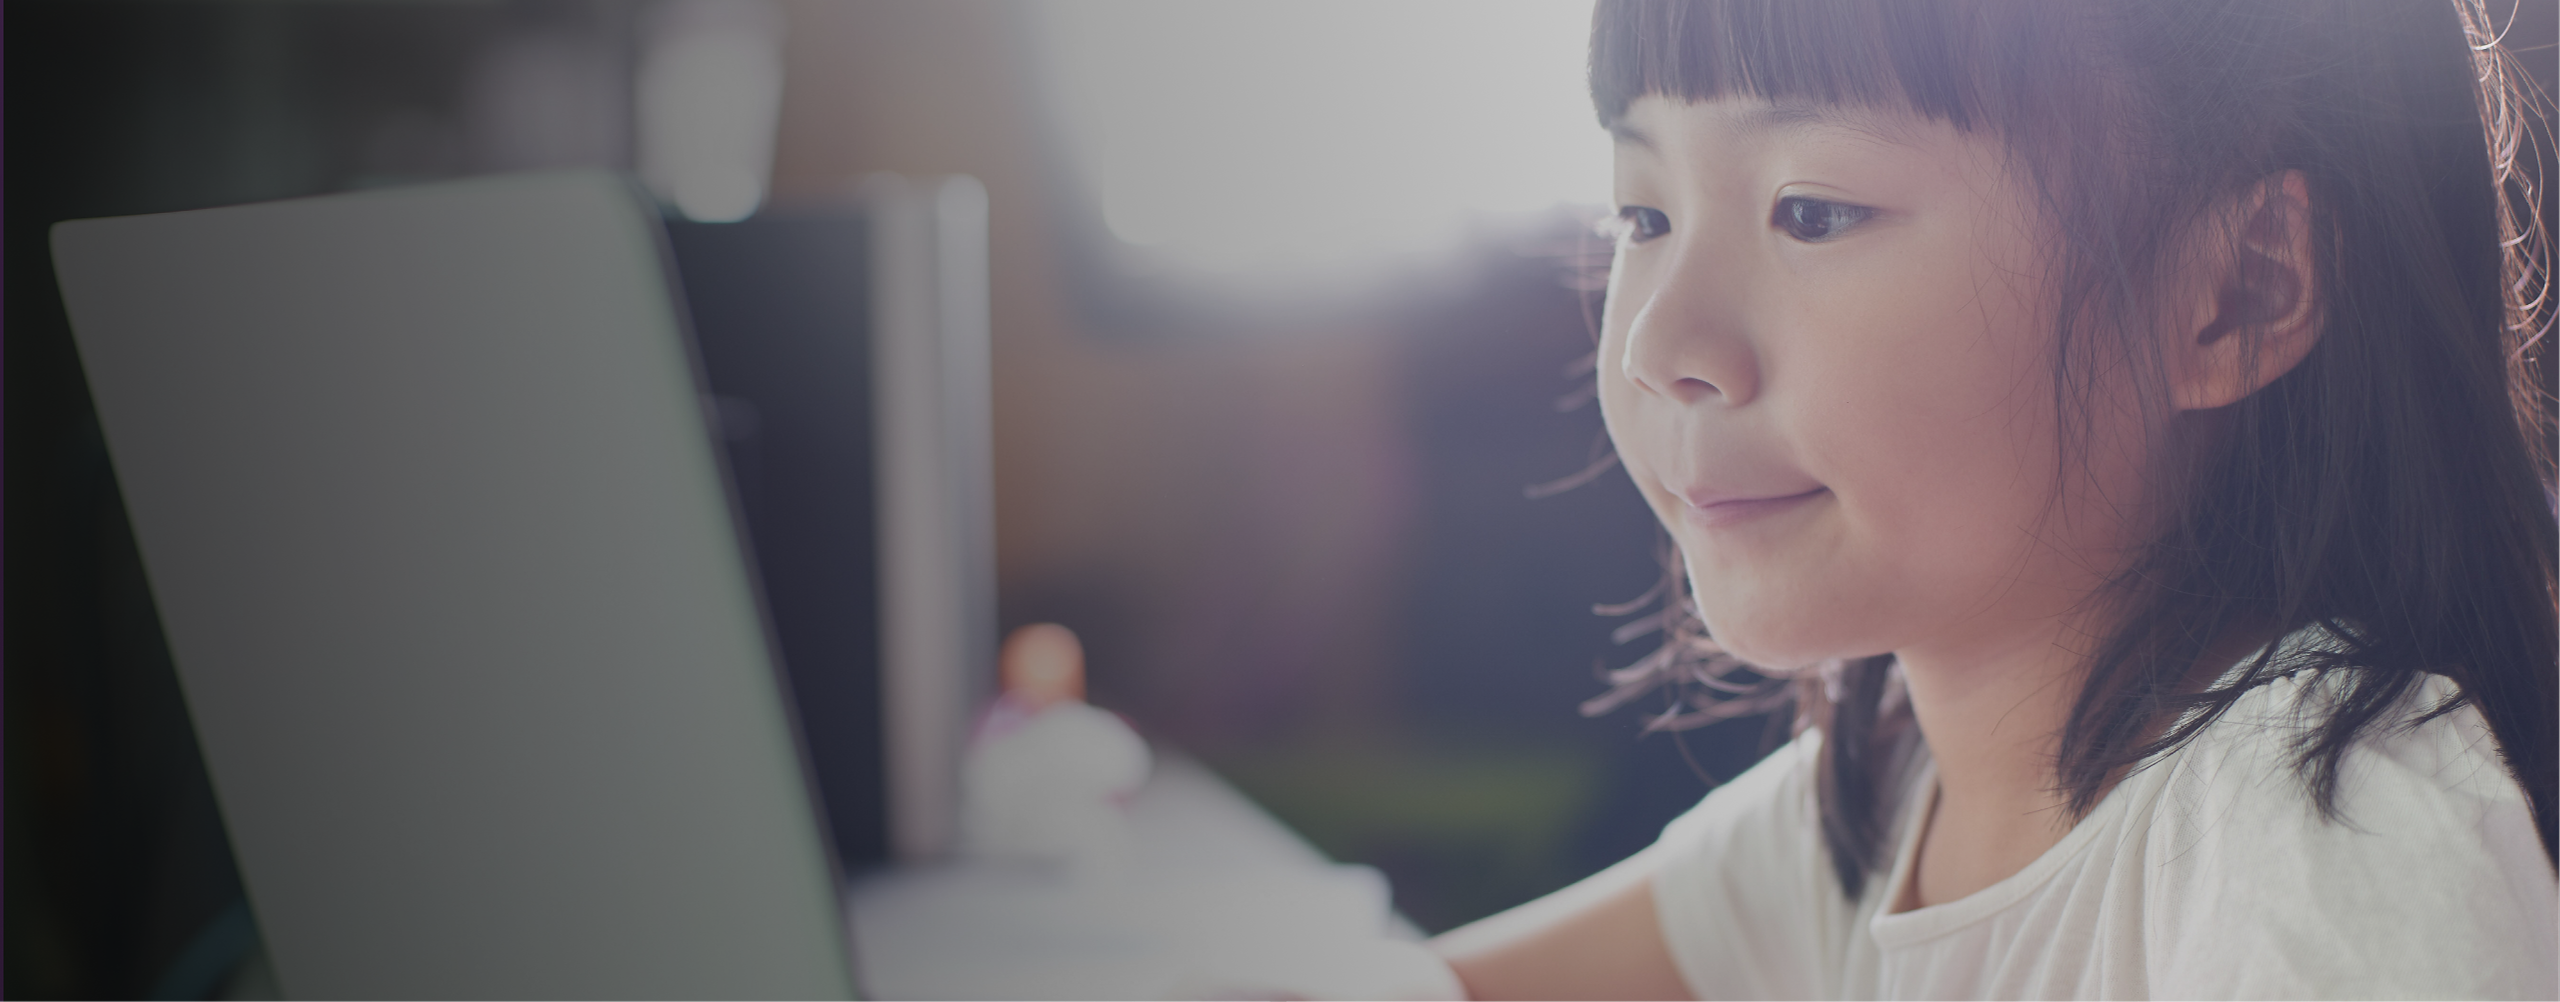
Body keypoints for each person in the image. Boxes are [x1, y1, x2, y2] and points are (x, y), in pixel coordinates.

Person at [1402, 0, 2560, 999]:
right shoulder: (1875, 806)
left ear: (2235, 290)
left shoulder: (2330, 836)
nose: (1661, 344)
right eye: (1643, 215)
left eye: (1810, 210)